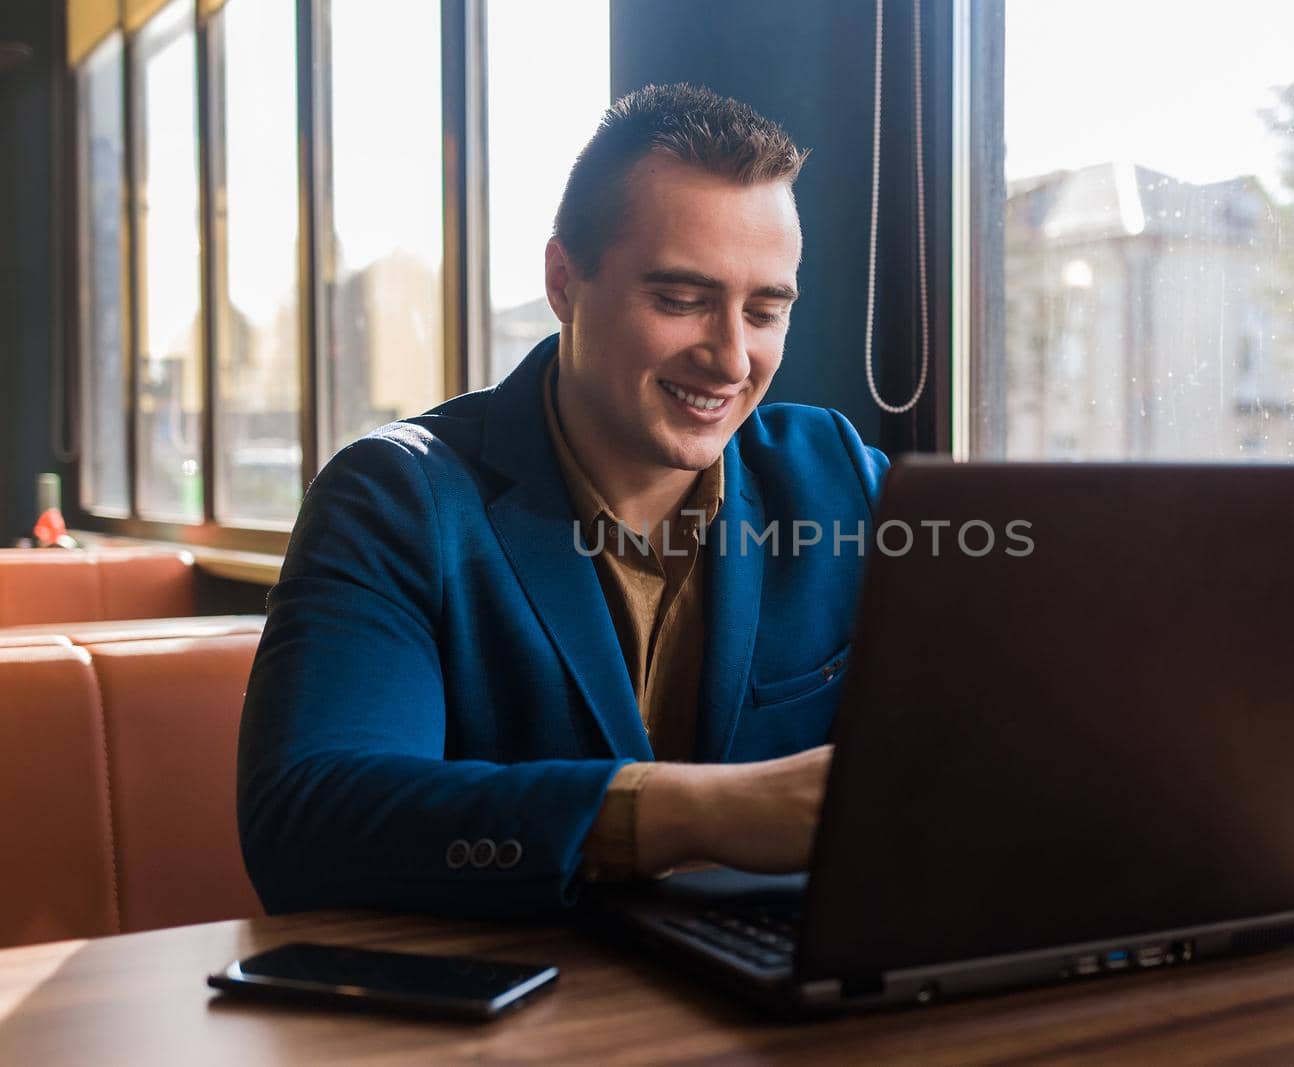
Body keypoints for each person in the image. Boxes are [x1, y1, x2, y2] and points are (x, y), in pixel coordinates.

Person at [237, 83, 889, 917]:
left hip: (772, 1005)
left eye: (765, 310)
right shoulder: (395, 497)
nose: (731, 359)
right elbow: (308, 825)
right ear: (563, 281)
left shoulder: (835, 475)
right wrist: (712, 811)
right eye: (682, 300)